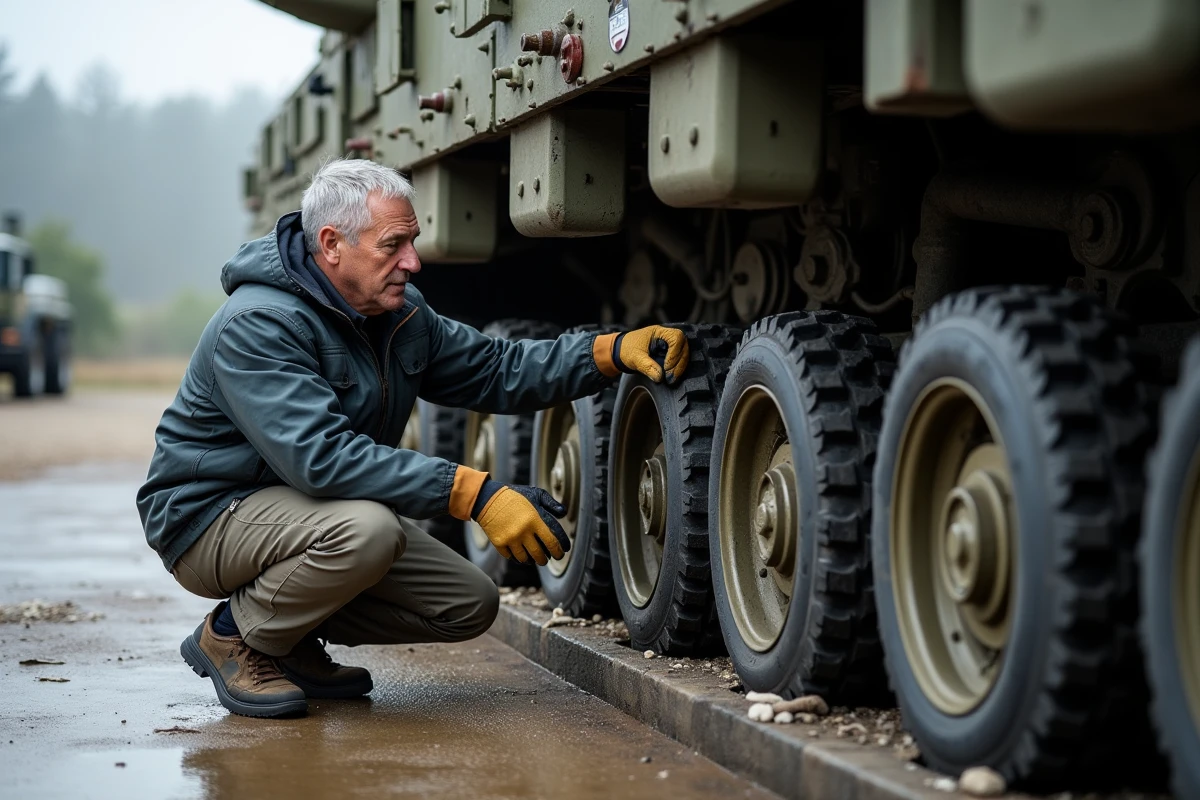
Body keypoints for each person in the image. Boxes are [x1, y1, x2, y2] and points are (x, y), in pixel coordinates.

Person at [136, 158, 689, 718]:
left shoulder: (398, 315)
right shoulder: (258, 323)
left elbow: (497, 368)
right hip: (209, 516)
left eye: (412, 241)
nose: (413, 261)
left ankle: (287, 637)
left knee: (467, 604)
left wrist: (608, 352)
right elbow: (321, 459)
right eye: (393, 244)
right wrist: (475, 493)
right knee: (367, 531)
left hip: (304, 512)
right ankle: (233, 637)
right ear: (331, 243)